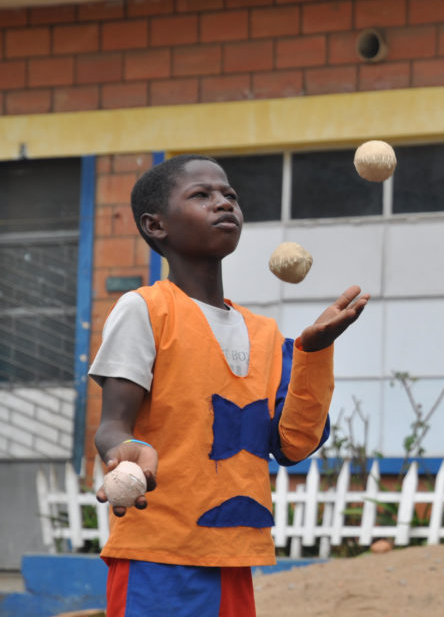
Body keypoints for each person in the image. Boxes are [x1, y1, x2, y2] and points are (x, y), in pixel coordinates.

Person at [90, 154, 370, 617]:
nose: (223, 203)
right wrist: (125, 450)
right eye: (202, 195)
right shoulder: (145, 309)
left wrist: (314, 352)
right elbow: (112, 425)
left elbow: (293, 446)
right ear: (155, 225)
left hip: (235, 555)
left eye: (230, 196)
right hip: (158, 556)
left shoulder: (264, 335)